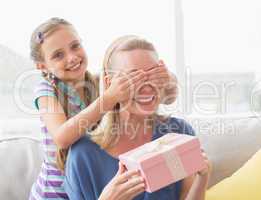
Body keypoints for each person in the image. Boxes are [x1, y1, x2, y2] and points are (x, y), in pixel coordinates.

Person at [29, 18, 178, 200]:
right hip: (54, 194)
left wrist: (163, 76)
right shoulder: (46, 90)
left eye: (75, 46)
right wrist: (109, 98)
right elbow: (61, 137)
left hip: (85, 187)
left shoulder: (97, 83)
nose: (72, 57)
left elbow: (170, 98)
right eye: (58, 55)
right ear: (42, 66)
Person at [64, 35, 211, 200]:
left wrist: (202, 178)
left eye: (154, 75)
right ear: (110, 83)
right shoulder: (84, 154)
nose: (147, 88)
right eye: (133, 78)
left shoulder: (179, 132)